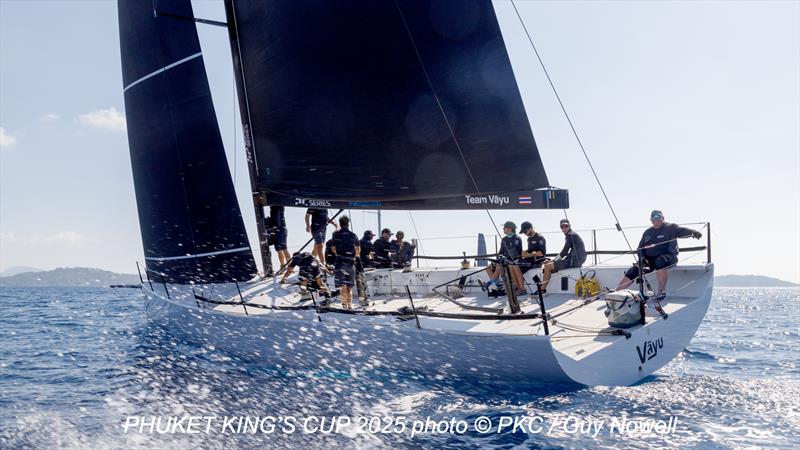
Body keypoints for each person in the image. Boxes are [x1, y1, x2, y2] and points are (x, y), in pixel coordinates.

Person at [616, 210, 702, 298]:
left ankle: (661, 292)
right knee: (635, 269)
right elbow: (640, 248)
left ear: (662, 218)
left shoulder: (671, 227)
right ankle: (616, 293)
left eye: (657, 217)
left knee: (660, 261)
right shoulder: (647, 232)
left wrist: (693, 232)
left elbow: (682, 231)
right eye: (653, 218)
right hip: (650, 260)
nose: (655, 220)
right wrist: (642, 259)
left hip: (669, 257)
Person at [538, 219, 586, 294]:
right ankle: (543, 287)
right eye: (562, 227)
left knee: (548, 266)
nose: (564, 228)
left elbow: (564, 252)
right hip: (577, 259)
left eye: (566, 226)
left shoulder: (570, 235)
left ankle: (542, 290)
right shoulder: (572, 234)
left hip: (575, 261)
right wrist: (554, 261)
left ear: (569, 226)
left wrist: (553, 261)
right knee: (549, 264)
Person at [485, 221, 526, 295]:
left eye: (504, 228)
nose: (503, 229)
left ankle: (489, 283)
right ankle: (497, 285)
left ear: (510, 229)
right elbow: (500, 252)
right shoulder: (504, 239)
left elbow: (515, 254)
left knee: (498, 267)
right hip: (504, 260)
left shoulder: (517, 238)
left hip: (513, 261)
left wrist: (504, 259)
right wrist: (497, 260)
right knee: (488, 267)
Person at [331, 216, 360, 309]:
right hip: (350, 264)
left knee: (342, 286)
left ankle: (344, 306)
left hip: (340, 263)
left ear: (340, 224)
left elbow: (333, 248)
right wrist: (352, 256)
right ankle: (350, 306)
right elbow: (358, 250)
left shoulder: (336, 235)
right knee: (349, 287)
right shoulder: (353, 235)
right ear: (348, 224)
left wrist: (340, 253)